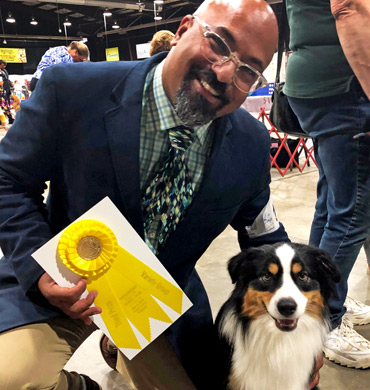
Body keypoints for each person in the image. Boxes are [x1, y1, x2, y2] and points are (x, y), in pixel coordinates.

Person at [0, 1, 320, 389]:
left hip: (157, 304)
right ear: (185, 28)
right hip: (65, 284)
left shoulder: (252, 144)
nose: (224, 72)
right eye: (219, 43)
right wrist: (40, 272)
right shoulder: (72, 90)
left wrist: (301, 324)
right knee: (12, 377)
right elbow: (8, 179)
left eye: (247, 70)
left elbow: (264, 234)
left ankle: (114, 348)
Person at [284, 0, 370, 369]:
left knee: (333, 202)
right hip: (345, 87)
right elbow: (349, 7)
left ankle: (313, 303)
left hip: (321, 85)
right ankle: (325, 322)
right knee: (352, 211)